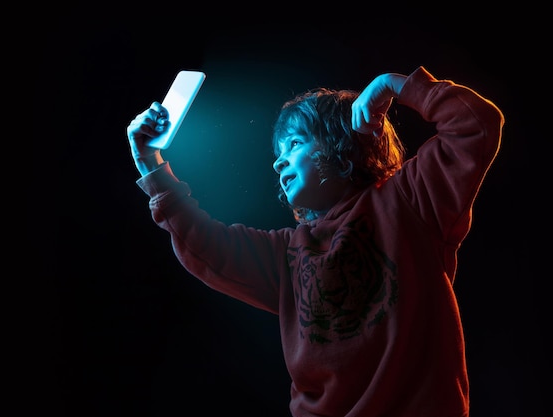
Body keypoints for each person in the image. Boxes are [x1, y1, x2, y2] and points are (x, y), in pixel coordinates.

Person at [126, 66, 504, 416]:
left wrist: (396, 85)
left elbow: (476, 124)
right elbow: (205, 246)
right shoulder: (288, 252)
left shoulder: (411, 199)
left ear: (342, 143)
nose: (278, 163)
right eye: (278, 154)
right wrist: (149, 162)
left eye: (294, 144)